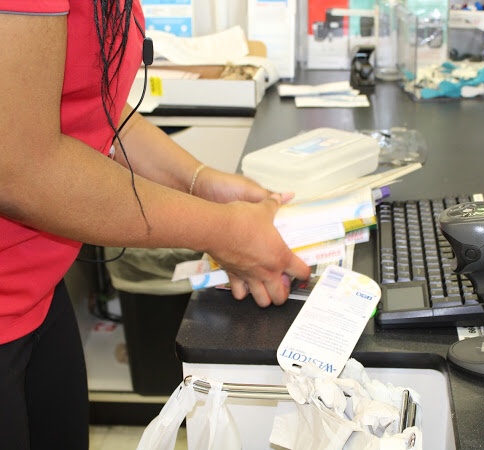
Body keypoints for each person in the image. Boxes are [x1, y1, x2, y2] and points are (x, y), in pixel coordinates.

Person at [0, 1, 310, 448]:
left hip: (37, 292)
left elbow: (91, 108)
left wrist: (200, 181)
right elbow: (22, 169)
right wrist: (223, 231)